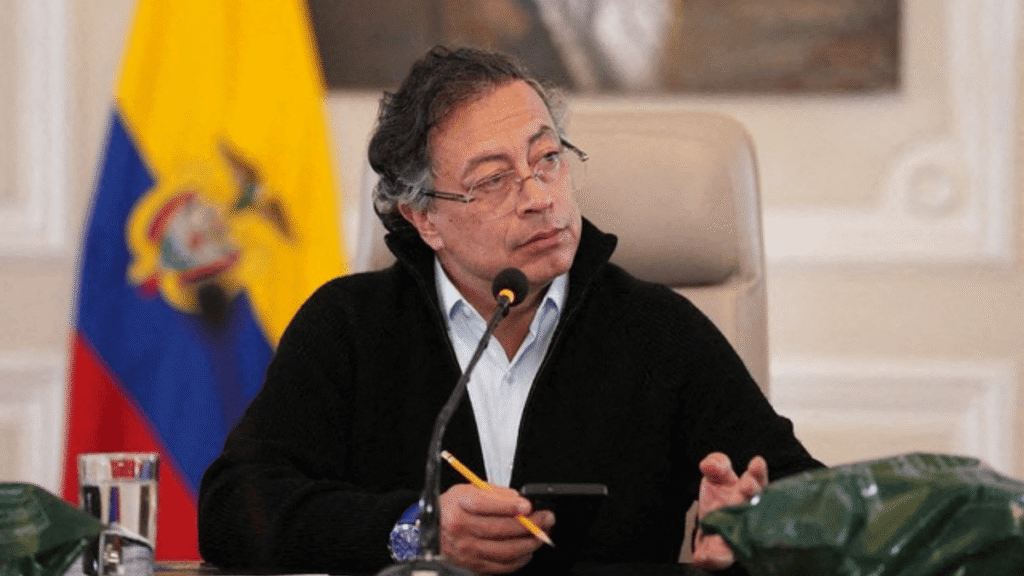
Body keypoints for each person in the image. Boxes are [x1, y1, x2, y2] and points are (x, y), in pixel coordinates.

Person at [197, 45, 823, 576]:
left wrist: (751, 529)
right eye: (493, 179)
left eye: (547, 158)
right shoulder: (351, 327)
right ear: (424, 218)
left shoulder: (659, 331)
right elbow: (232, 509)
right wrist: (415, 529)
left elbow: (810, 495)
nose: (538, 196)